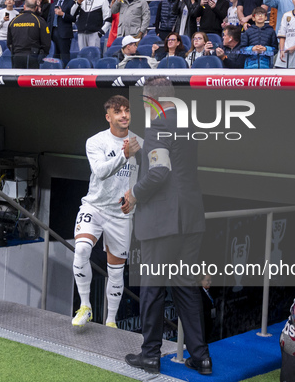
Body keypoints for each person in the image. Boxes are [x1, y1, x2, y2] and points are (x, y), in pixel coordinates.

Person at [122, 77, 210, 376]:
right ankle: (201, 357)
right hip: (191, 217)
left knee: (153, 289)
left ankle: (150, 356)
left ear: (151, 100)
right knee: (186, 289)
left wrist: (134, 194)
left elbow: (160, 172)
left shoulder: (158, 125)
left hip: (163, 221)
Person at [71, 95, 142, 329]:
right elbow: (100, 172)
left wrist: (135, 197)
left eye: (127, 110)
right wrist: (124, 155)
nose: (124, 115)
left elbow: (150, 179)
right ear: (108, 117)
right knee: (81, 249)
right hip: (95, 206)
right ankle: (85, 306)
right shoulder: (96, 141)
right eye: (118, 111)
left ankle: (110, 321)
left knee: (116, 270)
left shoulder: (140, 143)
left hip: (121, 214)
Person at [7, 0, 51, 68]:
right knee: (31, 79)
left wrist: (15, 52)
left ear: (24, 7)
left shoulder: (13, 21)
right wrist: (42, 55)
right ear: (36, 8)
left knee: (18, 78)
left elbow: (9, 42)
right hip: (33, 56)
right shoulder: (39, 21)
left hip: (17, 56)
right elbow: (46, 42)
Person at [46, 0, 75, 66]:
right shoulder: (53, 3)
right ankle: (55, 72)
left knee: (65, 55)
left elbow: (73, 18)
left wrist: (63, 14)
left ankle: (66, 73)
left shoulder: (71, 3)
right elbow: (49, 19)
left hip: (64, 33)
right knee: (55, 55)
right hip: (53, 32)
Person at [198, 274, 216, 343]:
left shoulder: (210, 291)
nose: (210, 282)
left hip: (209, 322)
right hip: (203, 324)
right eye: (207, 280)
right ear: (201, 281)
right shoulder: (199, 294)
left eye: (210, 280)